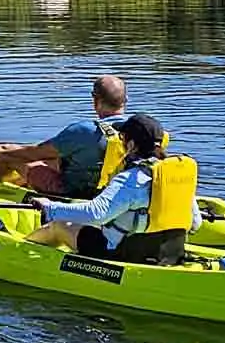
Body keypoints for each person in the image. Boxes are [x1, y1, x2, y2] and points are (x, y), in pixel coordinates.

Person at [22, 113, 201, 265]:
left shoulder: (131, 178)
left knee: (58, 226)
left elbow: (96, 213)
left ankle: (19, 250)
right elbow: (195, 224)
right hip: (170, 253)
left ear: (131, 145)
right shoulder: (175, 177)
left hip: (123, 255)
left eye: (123, 138)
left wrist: (49, 207)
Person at [0, 75, 130, 199]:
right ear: (125, 100)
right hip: (111, 193)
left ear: (95, 100)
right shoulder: (139, 129)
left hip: (71, 193)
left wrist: (1, 151)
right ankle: (21, 182)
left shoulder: (83, 130)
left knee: (10, 157)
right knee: (53, 158)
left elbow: (36, 153)